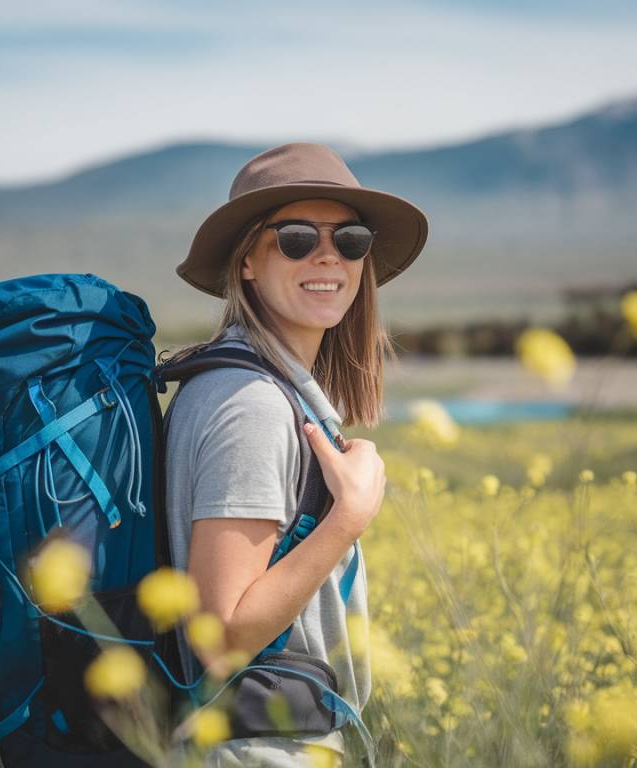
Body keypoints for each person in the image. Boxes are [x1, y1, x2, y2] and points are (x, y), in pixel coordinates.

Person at [161, 142, 429, 766]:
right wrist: (348, 518)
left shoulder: (258, 386)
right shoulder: (249, 403)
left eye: (351, 239)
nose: (328, 254)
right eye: (297, 238)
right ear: (247, 261)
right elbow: (221, 635)